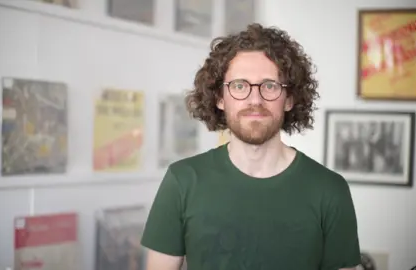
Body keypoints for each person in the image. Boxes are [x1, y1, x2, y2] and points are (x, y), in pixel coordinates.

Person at [141, 23, 361, 270]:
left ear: (289, 99)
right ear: (219, 98)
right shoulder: (182, 181)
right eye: (239, 86)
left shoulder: (330, 190)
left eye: (269, 86)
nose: (254, 100)